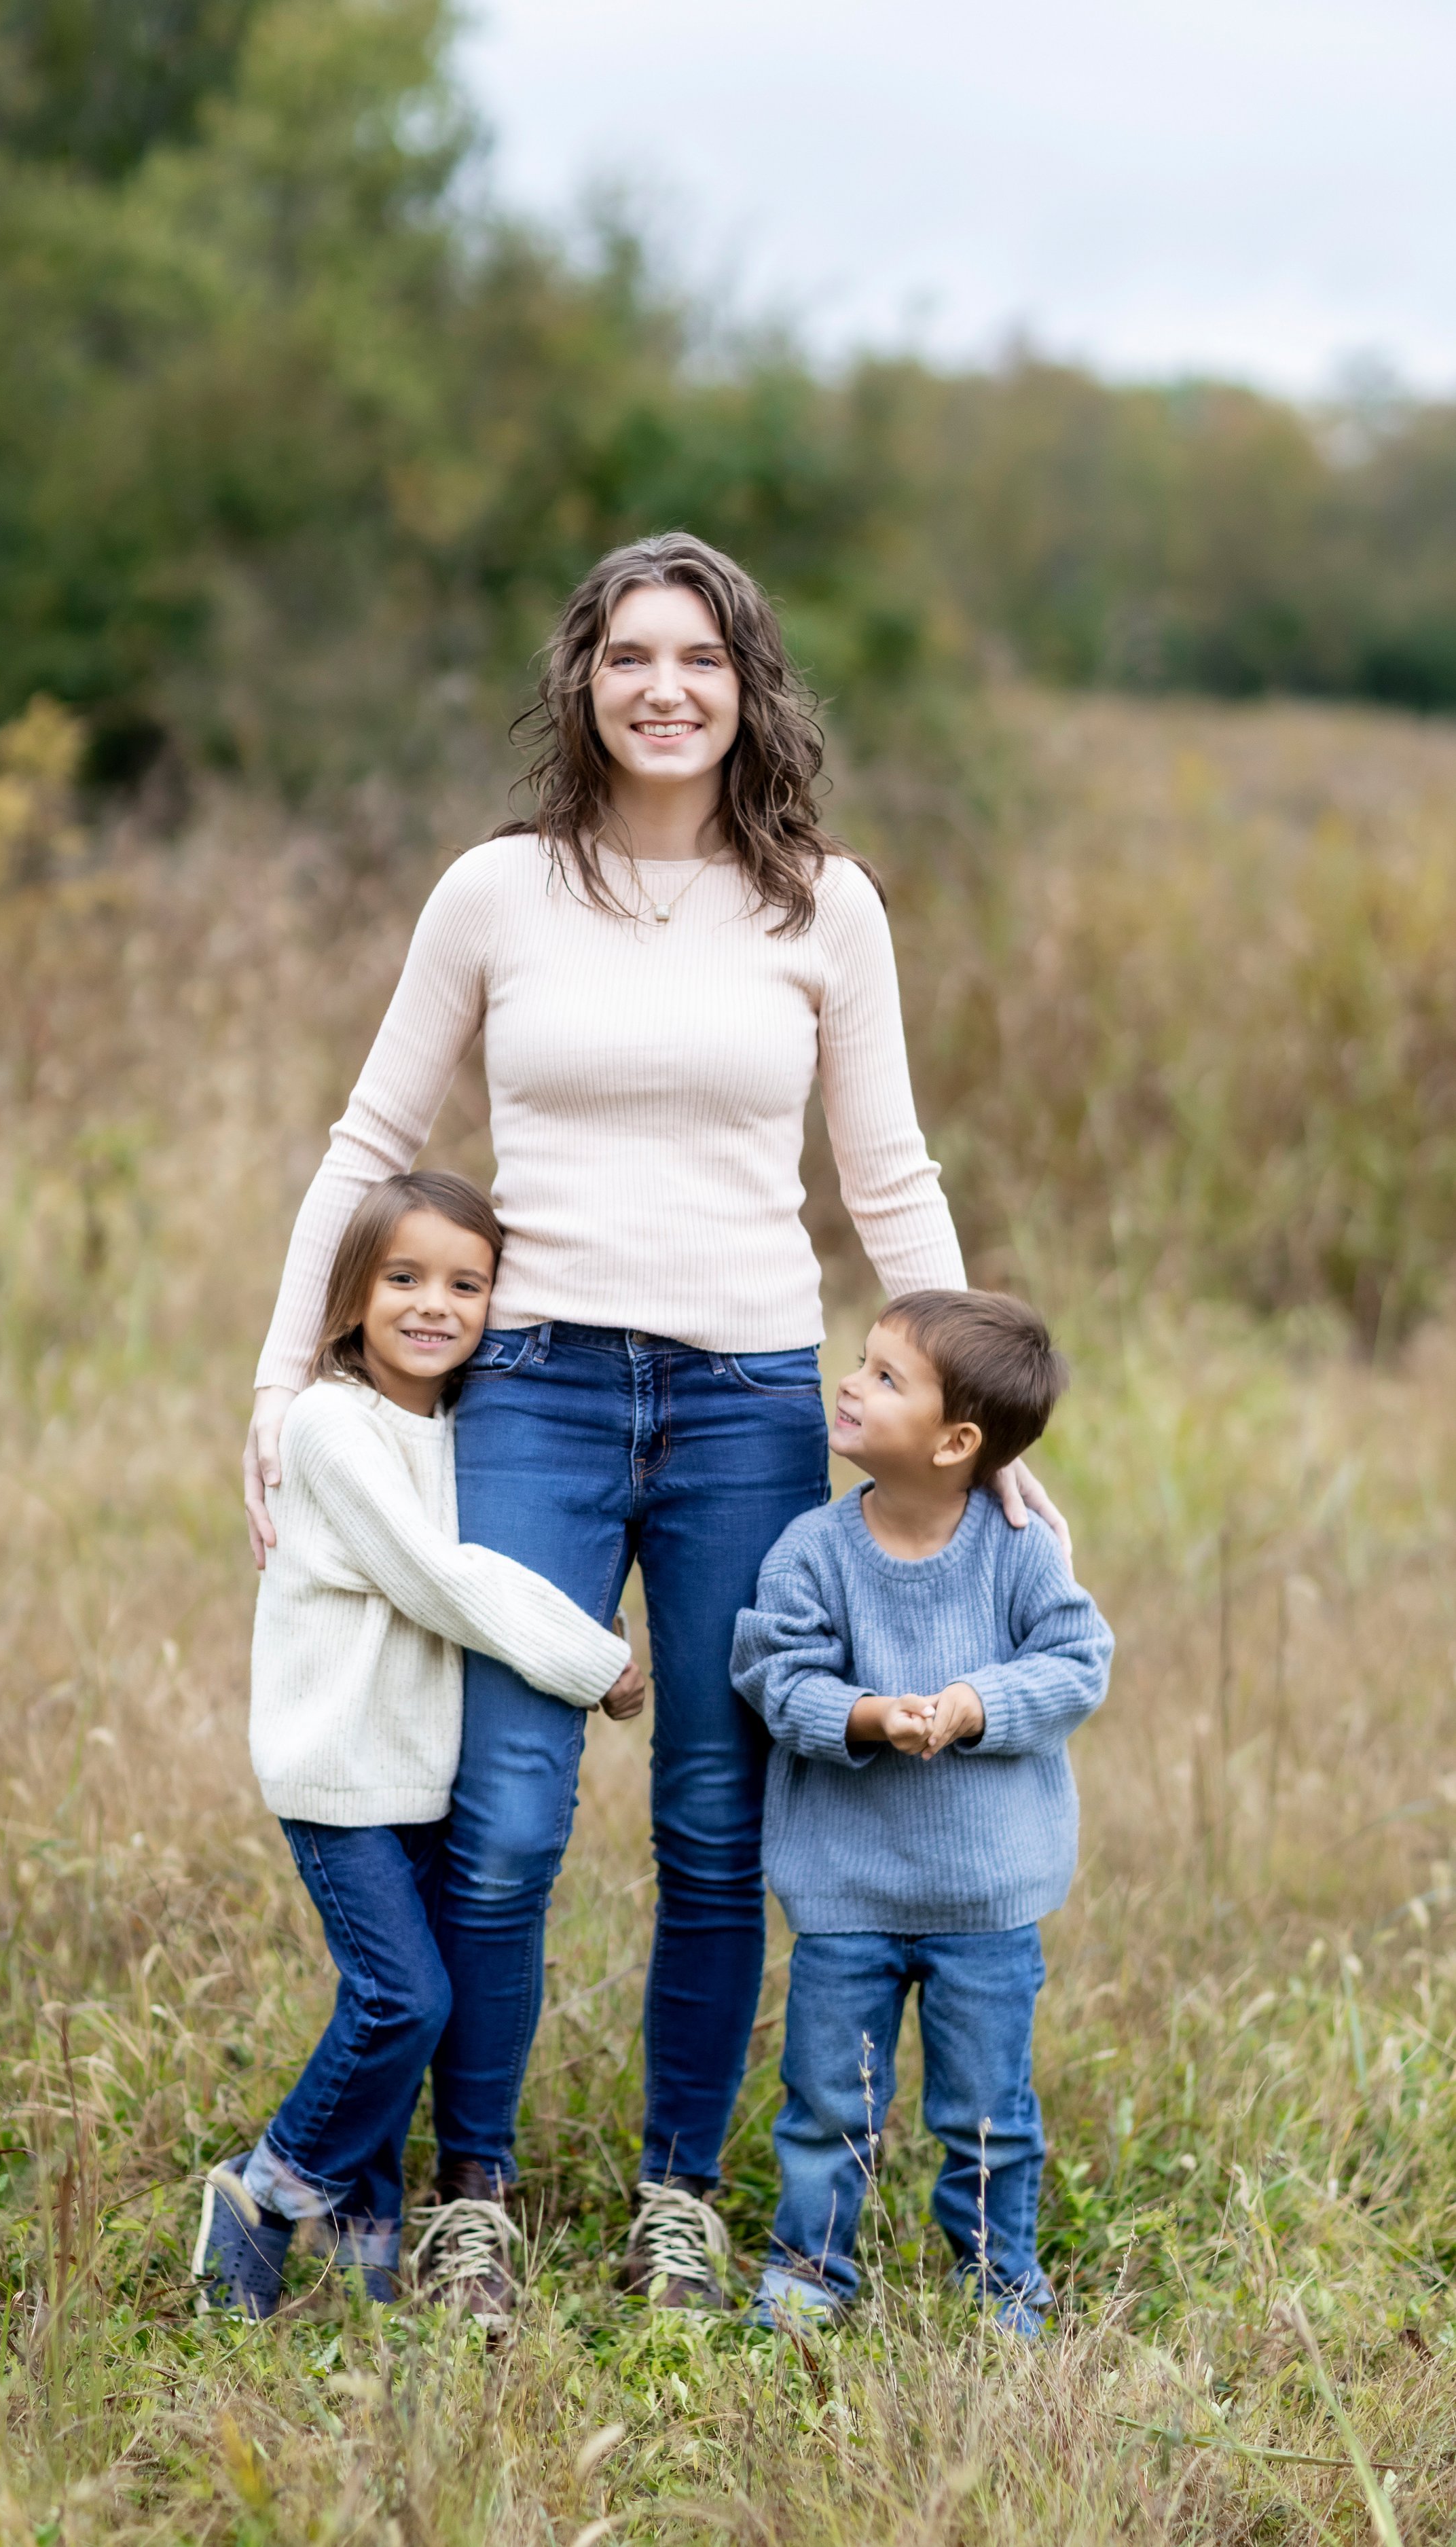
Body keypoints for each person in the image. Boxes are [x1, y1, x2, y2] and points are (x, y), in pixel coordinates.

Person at [241, 531, 1071, 2318]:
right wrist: (276, 1378)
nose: (663, 687)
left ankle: (676, 2192)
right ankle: (469, 2191)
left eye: (697, 656)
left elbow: (888, 1174)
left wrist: (985, 1433)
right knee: (503, 1816)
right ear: (584, 680)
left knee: (711, 1821)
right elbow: (370, 1140)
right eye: (629, 654)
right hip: (533, 1391)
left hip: (746, 1400)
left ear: (747, 686)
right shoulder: (496, 892)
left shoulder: (823, 907)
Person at [196, 1171, 644, 2322]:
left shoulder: (459, 1426)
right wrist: (593, 1658)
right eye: (404, 1277)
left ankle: (367, 2236)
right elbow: (440, 1579)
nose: (434, 1304)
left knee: (407, 2003)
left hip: (422, 1772)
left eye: (466, 1284)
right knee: (405, 2000)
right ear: (351, 1292)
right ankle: (267, 2186)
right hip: (339, 1776)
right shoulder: (329, 1424)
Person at [731, 1289, 1112, 2334]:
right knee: (826, 2103)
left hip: (986, 1900)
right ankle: (808, 2275)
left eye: (886, 1376)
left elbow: (1078, 1662)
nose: (851, 1381)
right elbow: (772, 1674)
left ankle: (999, 2280)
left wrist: (976, 1703)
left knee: (988, 2111)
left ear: (956, 1443)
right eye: (861, 1359)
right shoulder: (813, 1550)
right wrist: (864, 1715)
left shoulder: (1016, 1547)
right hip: (846, 1893)